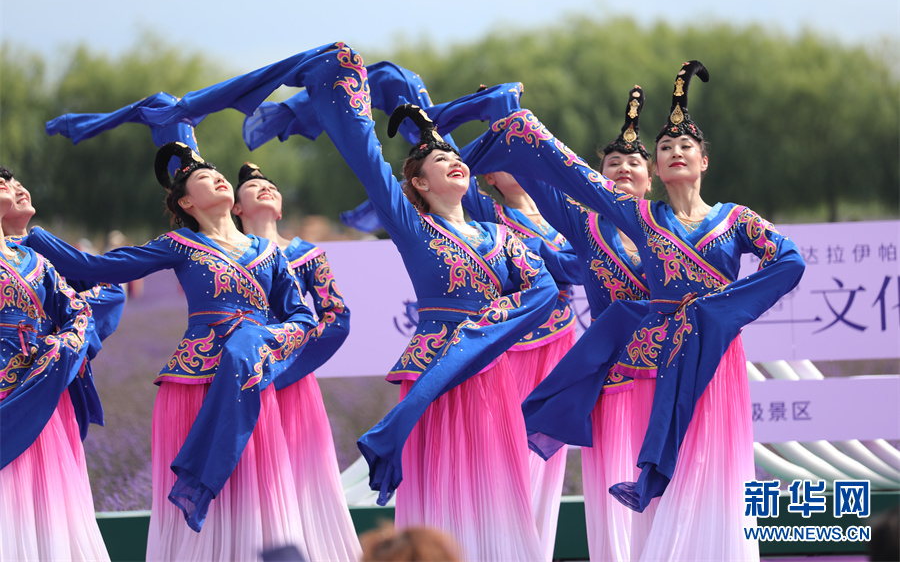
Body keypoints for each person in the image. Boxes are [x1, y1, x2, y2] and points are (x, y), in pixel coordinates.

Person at [432, 61, 805, 561]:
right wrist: (519, 122)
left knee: (711, 468)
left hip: (710, 358)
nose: (673, 153)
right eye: (666, 146)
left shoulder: (736, 220)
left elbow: (790, 259)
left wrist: (721, 312)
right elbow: (572, 176)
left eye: (684, 148)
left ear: (702, 162)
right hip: (636, 366)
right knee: (641, 489)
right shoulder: (639, 216)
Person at [245, 44, 558, 561]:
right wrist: (345, 97)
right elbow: (368, 161)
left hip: (487, 367)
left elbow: (544, 289)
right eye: (440, 160)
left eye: (457, 157)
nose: (455, 162)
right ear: (418, 182)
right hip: (434, 368)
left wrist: (488, 327)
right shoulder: (415, 227)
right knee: (443, 483)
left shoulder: (500, 237)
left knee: (499, 484)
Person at [26, 141, 318, 561]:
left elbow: (301, 319)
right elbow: (100, 269)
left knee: (258, 491)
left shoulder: (269, 254)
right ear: (186, 201)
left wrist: (263, 340)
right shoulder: (180, 244)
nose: (217, 177)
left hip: (249, 381)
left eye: (218, 174)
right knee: (208, 524)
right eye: (203, 178)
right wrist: (34, 238)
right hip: (193, 385)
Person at [461, 86, 657, 560]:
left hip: (672, 367)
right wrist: (510, 120)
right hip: (612, 373)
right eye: (612, 165)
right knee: (613, 489)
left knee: (679, 478)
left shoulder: (676, 227)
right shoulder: (585, 227)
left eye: (633, 164)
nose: (623, 169)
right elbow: (544, 176)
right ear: (597, 177)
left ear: (651, 176)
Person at [231, 161, 361, 561]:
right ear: (235, 208)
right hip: (242, 381)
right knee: (251, 480)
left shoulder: (306, 255)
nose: (264, 188)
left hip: (291, 381)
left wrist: (286, 364)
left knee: (304, 478)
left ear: (282, 207)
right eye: (253, 187)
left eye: (270, 184)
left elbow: (335, 315)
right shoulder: (221, 254)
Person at [0, 167, 107, 561]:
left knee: (49, 505)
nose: (5, 183)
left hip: (42, 388)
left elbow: (79, 308)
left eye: (8, 179)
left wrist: (63, 345)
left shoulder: (35, 261)